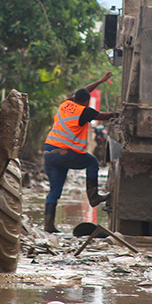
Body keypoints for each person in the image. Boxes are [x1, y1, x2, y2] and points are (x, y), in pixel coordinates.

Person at [43, 72, 118, 233]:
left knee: (54, 191)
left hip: (49, 153)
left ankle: (48, 226)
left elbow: (82, 91)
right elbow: (105, 116)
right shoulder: (84, 111)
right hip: (64, 153)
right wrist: (118, 114)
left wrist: (100, 81)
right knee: (92, 162)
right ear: (86, 101)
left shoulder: (65, 104)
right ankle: (93, 197)